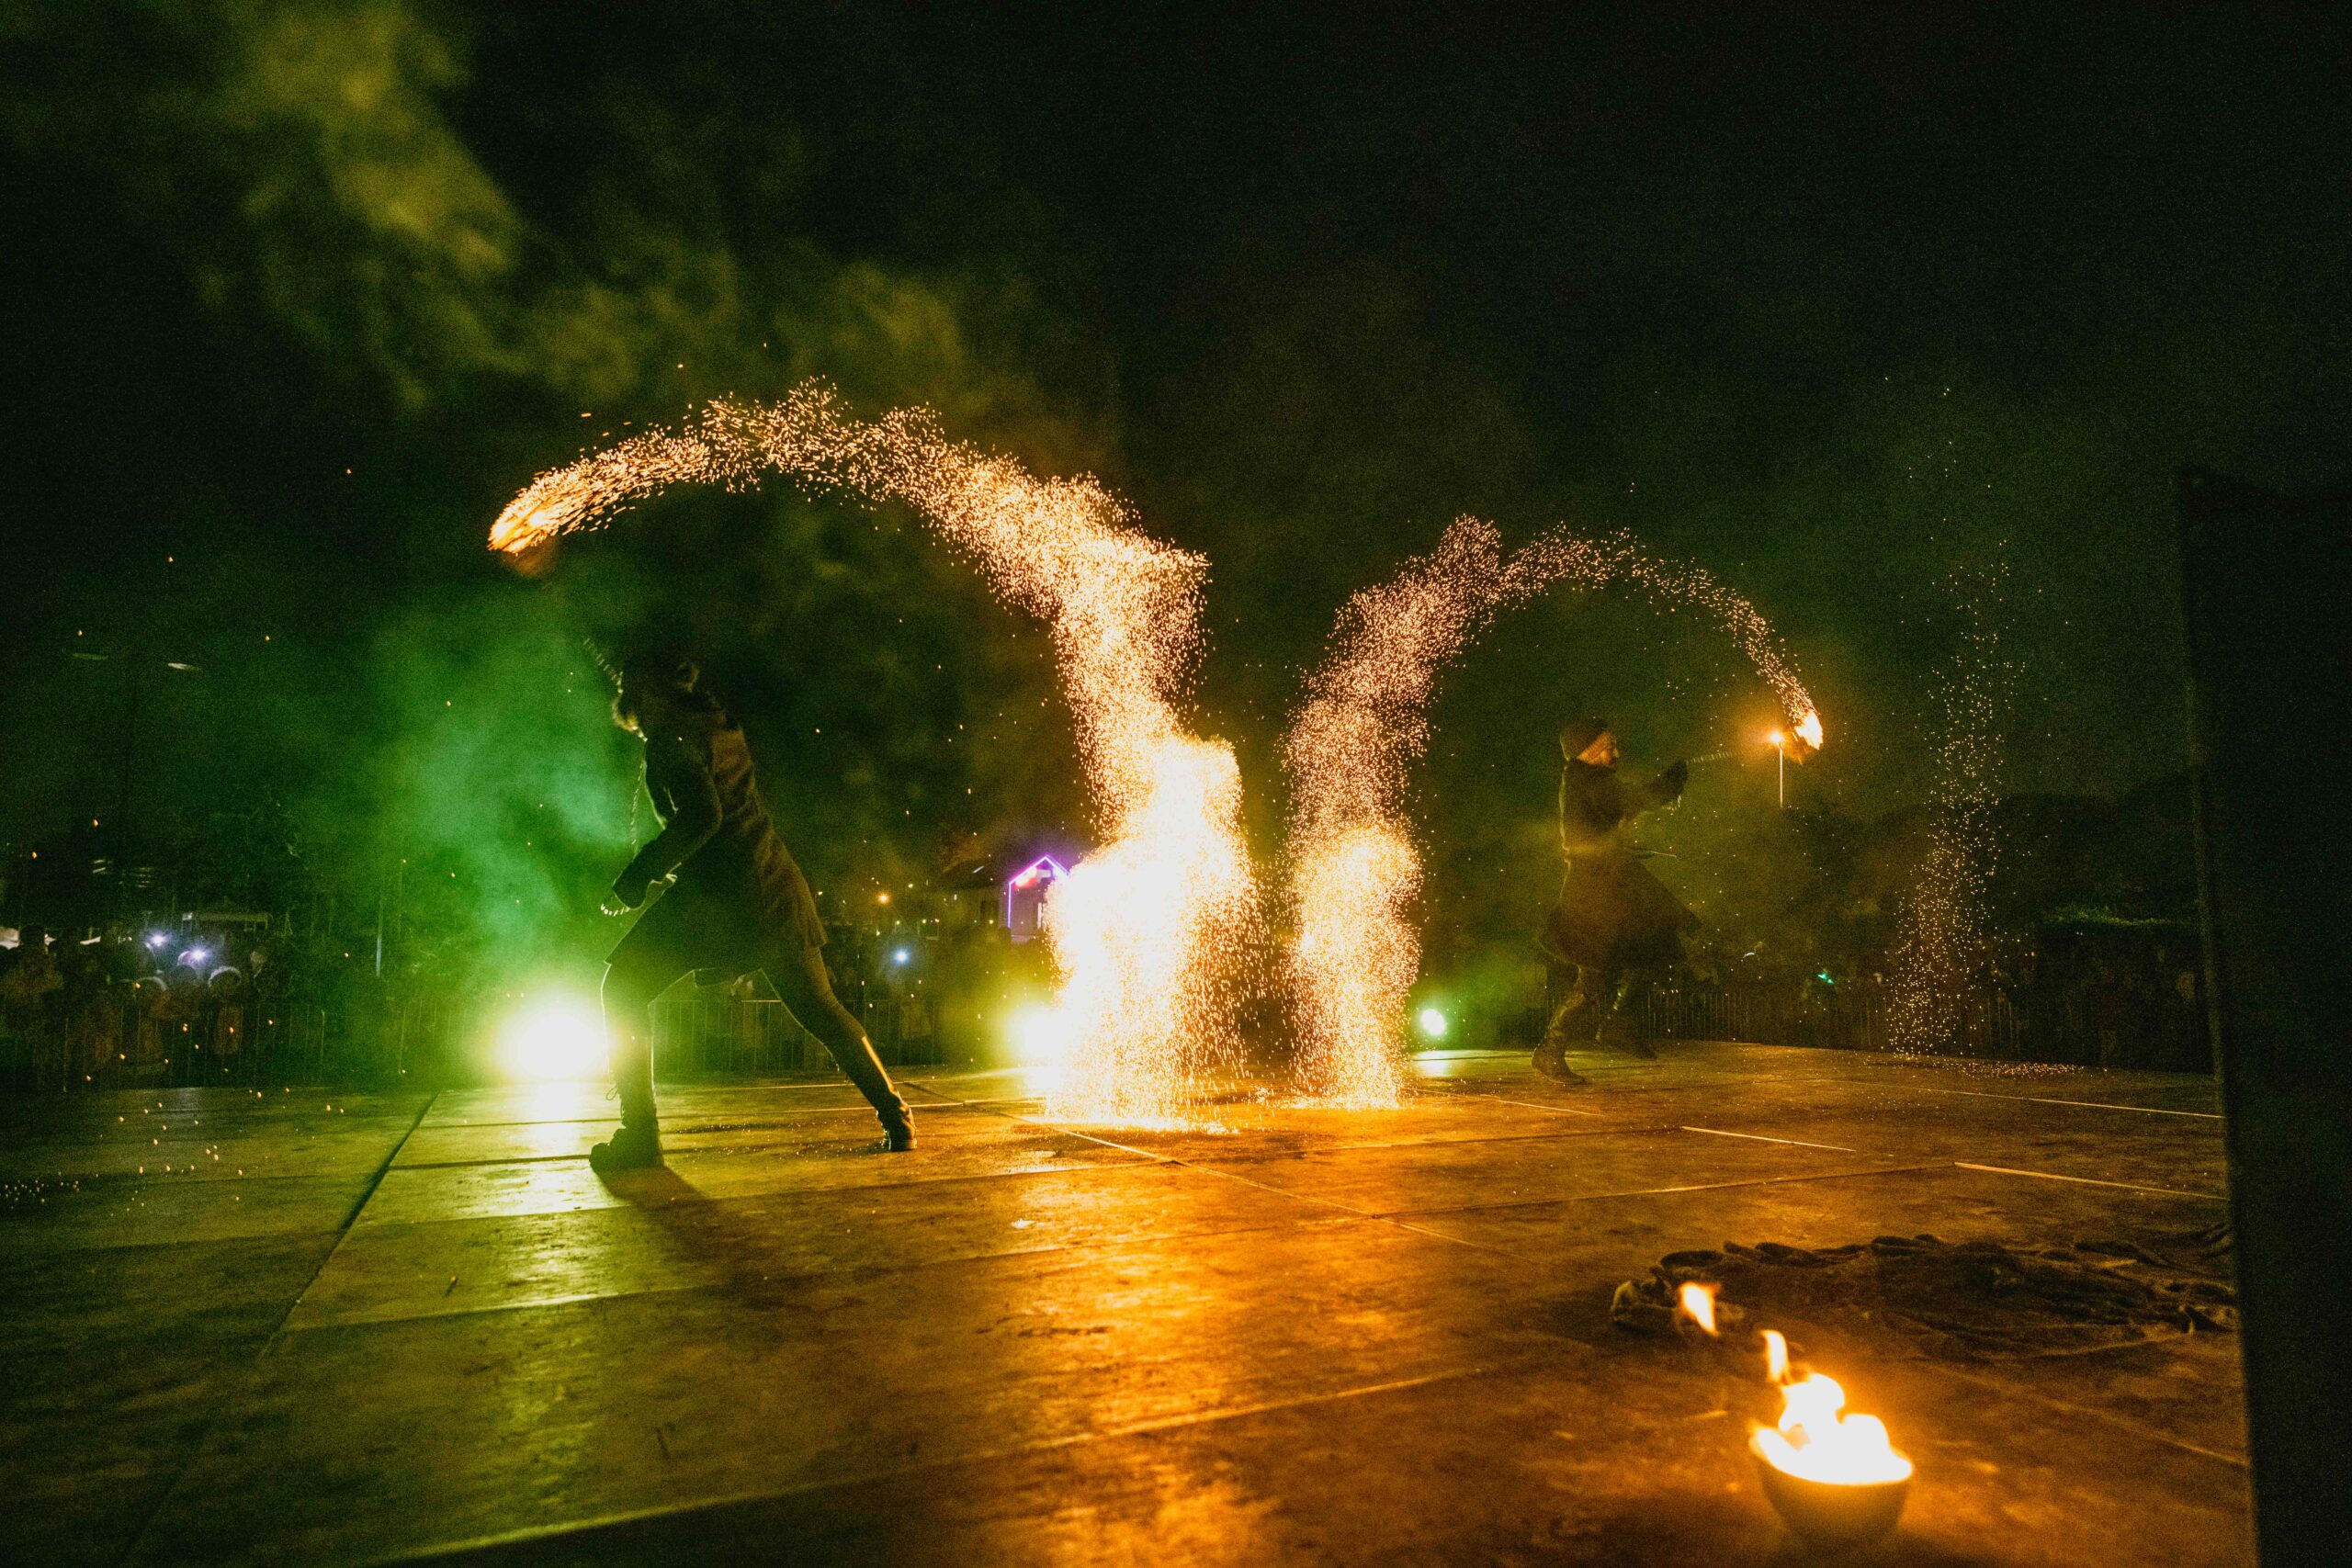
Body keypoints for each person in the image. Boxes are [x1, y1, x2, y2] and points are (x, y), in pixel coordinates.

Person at [593, 652, 915, 1171]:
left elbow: (702, 816)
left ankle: (639, 1135)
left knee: (624, 986)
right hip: (773, 885)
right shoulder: (715, 724)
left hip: (723, 898)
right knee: (820, 1009)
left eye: (632, 695)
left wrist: (634, 880)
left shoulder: (672, 737)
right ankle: (897, 1118)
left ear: (643, 697)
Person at [1534, 718, 1696, 1081]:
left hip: (1608, 886)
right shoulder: (1590, 782)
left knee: (1652, 943)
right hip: (1596, 892)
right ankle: (1555, 1047)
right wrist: (1673, 780)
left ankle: (1617, 1023)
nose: (1616, 753)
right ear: (1588, 750)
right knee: (1596, 977)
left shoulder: (1584, 782)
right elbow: (1641, 799)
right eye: (1609, 745)